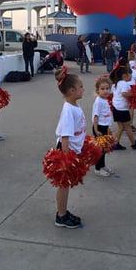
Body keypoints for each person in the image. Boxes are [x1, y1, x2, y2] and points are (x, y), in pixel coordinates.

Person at [53, 67, 86, 229]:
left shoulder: (74, 106)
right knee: (63, 185)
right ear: (72, 90)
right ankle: (61, 215)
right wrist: (67, 160)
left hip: (73, 150)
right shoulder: (68, 110)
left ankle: (63, 212)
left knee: (65, 185)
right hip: (66, 151)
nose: (83, 89)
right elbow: (65, 136)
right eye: (81, 86)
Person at [110, 64, 136, 150]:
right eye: (130, 74)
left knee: (121, 127)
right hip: (122, 109)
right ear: (125, 75)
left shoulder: (115, 84)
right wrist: (134, 94)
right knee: (127, 127)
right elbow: (124, 94)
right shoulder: (124, 84)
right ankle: (134, 143)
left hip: (116, 108)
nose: (131, 76)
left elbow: (113, 94)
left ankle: (115, 143)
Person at [92, 76, 115, 177]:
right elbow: (96, 116)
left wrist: (109, 128)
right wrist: (96, 129)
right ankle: (97, 168)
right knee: (100, 149)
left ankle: (103, 165)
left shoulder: (105, 100)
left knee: (104, 148)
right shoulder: (98, 101)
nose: (105, 91)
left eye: (107, 88)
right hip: (99, 128)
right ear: (97, 90)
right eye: (102, 89)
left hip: (105, 127)